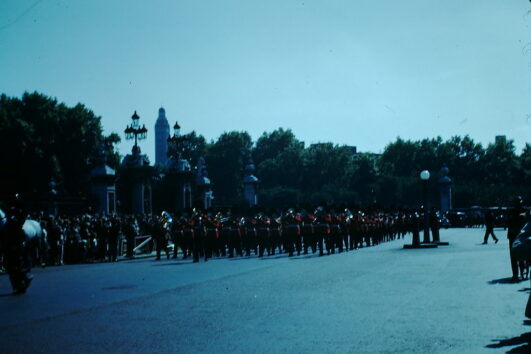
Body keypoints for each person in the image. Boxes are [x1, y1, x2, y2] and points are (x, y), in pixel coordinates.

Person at [0, 200, 33, 294]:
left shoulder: (16, 222)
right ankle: (20, 284)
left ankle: (23, 279)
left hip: (14, 245)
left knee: (13, 266)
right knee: (10, 267)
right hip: (8, 245)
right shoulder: (8, 222)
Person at [508, 196, 526, 281]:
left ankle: (520, 273)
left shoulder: (525, 211)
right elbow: (508, 223)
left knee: (521, 255)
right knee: (514, 256)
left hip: (520, 235)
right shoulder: (512, 212)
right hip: (514, 235)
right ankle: (516, 274)